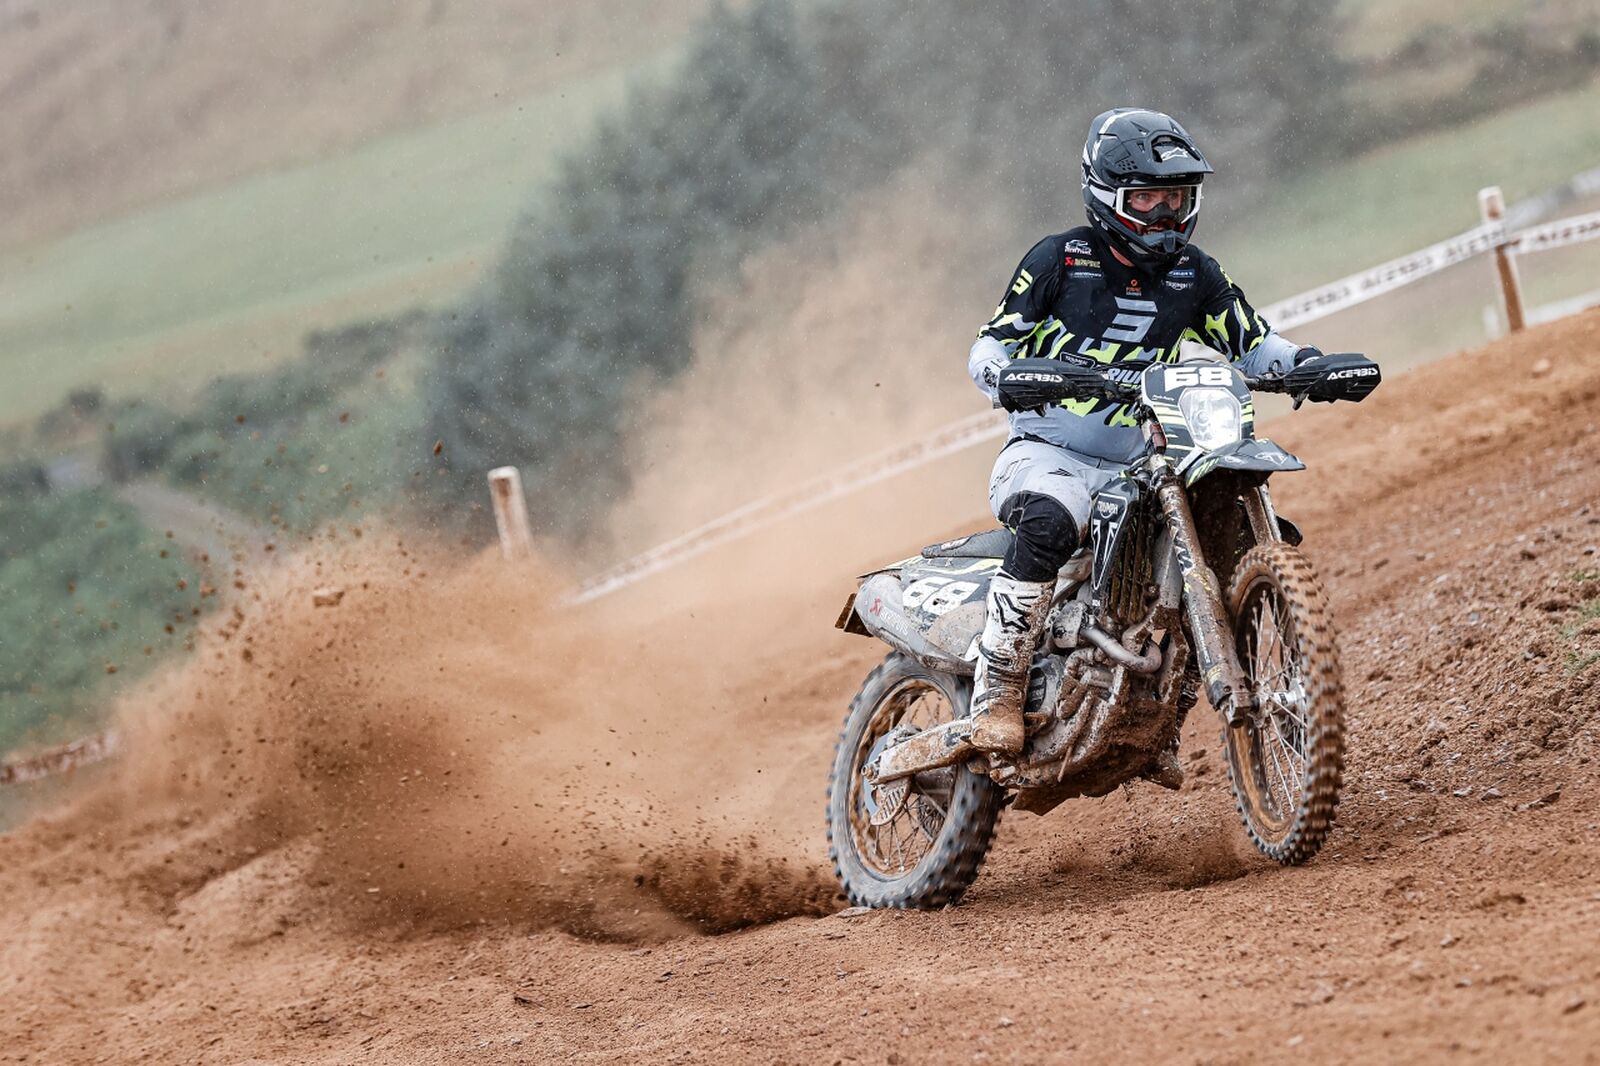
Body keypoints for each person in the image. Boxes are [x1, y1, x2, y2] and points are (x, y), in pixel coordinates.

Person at [964, 107, 1326, 757]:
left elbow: (1254, 344)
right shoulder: (1061, 260)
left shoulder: (1194, 274)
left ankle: (1173, 709)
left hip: (1144, 463)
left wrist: (1307, 364)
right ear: (1107, 196)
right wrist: (1007, 376)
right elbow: (989, 345)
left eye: (1176, 198)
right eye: (1147, 199)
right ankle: (999, 690)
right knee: (1049, 521)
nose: (1164, 214)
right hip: (1050, 454)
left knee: (1228, 533)